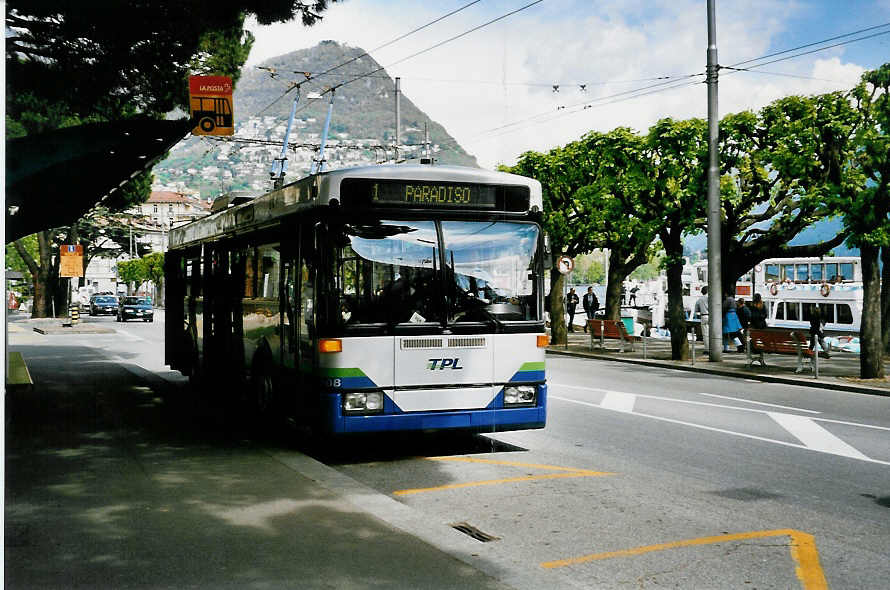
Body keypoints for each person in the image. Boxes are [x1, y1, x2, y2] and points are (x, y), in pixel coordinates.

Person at [692, 286, 709, 351]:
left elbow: (696, 310)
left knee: (705, 334)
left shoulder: (699, 299)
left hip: (704, 316)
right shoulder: (711, 298)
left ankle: (707, 349)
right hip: (713, 317)